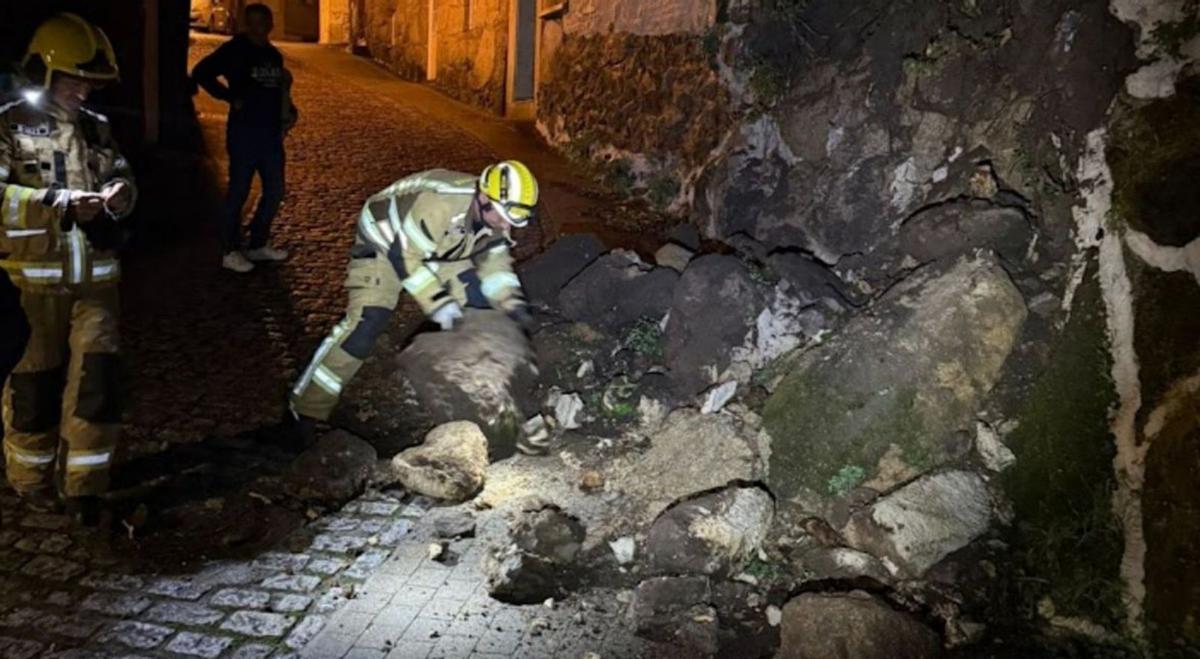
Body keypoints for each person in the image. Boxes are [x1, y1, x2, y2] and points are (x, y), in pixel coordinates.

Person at [289, 161, 542, 450]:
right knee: (366, 323)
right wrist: (439, 304)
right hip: (386, 243)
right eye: (503, 217)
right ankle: (305, 408)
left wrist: (512, 303)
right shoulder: (440, 203)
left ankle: (491, 403)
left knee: (479, 310)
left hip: (443, 246)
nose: (506, 226)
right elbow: (405, 258)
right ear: (483, 197)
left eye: (513, 221)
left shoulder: (494, 214)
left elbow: (495, 265)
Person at [0, 13, 137, 525]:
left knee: (98, 386)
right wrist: (55, 203)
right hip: (28, 287)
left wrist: (121, 195)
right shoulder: (8, 124)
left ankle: (85, 488)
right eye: (75, 79)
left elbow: (122, 173)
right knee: (32, 389)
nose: (84, 90)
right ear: (44, 72)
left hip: (97, 283)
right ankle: (30, 482)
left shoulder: (96, 126)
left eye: (91, 82)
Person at [191, 3, 297, 273]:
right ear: (247, 24)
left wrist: (288, 112)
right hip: (244, 132)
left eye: (264, 22)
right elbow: (202, 72)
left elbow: (277, 92)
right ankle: (229, 249)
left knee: (275, 190)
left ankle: (257, 243)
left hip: (270, 134)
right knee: (239, 190)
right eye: (254, 22)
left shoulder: (273, 55)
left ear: (270, 24)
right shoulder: (235, 50)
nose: (259, 27)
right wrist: (229, 97)